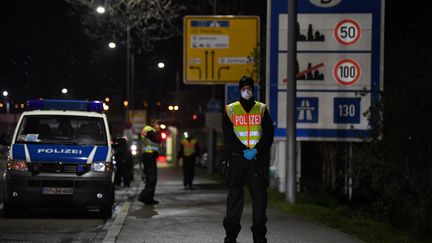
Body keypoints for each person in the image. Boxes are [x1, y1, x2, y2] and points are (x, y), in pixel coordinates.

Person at [222, 76, 274, 243]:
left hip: (255, 159)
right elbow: (228, 136)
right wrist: (242, 150)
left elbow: (268, 134)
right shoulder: (230, 109)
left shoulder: (261, 109)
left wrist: (257, 150)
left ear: (253, 89)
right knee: (235, 198)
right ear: (239, 90)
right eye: (244, 88)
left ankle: (259, 238)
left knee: (260, 198)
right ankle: (230, 237)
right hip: (238, 159)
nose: (247, 91)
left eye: (249, 88)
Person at [138, 119, 162, 205]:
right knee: (152, 178)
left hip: (149, 156)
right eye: (157, 124)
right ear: (152, 124)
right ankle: (144, 196)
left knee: (151, 178)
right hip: (149, 156)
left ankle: (149, 198)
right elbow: (157, 139)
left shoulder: (150, 131)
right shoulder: (148, 129)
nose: (158, 126)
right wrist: (158, 134)